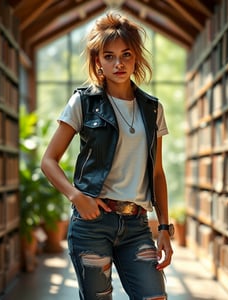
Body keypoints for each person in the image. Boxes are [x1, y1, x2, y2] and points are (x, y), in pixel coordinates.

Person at [41, 11, 173, 300]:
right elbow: (48, 160)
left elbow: (157, 174)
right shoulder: (83, 102)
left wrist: (163, 227)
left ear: (136, 57)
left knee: (154, 296)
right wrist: (76, 196)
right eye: (109, 56)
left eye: (126, 54)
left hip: (137, 225)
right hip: (92, 225)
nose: (118, 63)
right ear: (98, 61)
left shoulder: (153, 109)